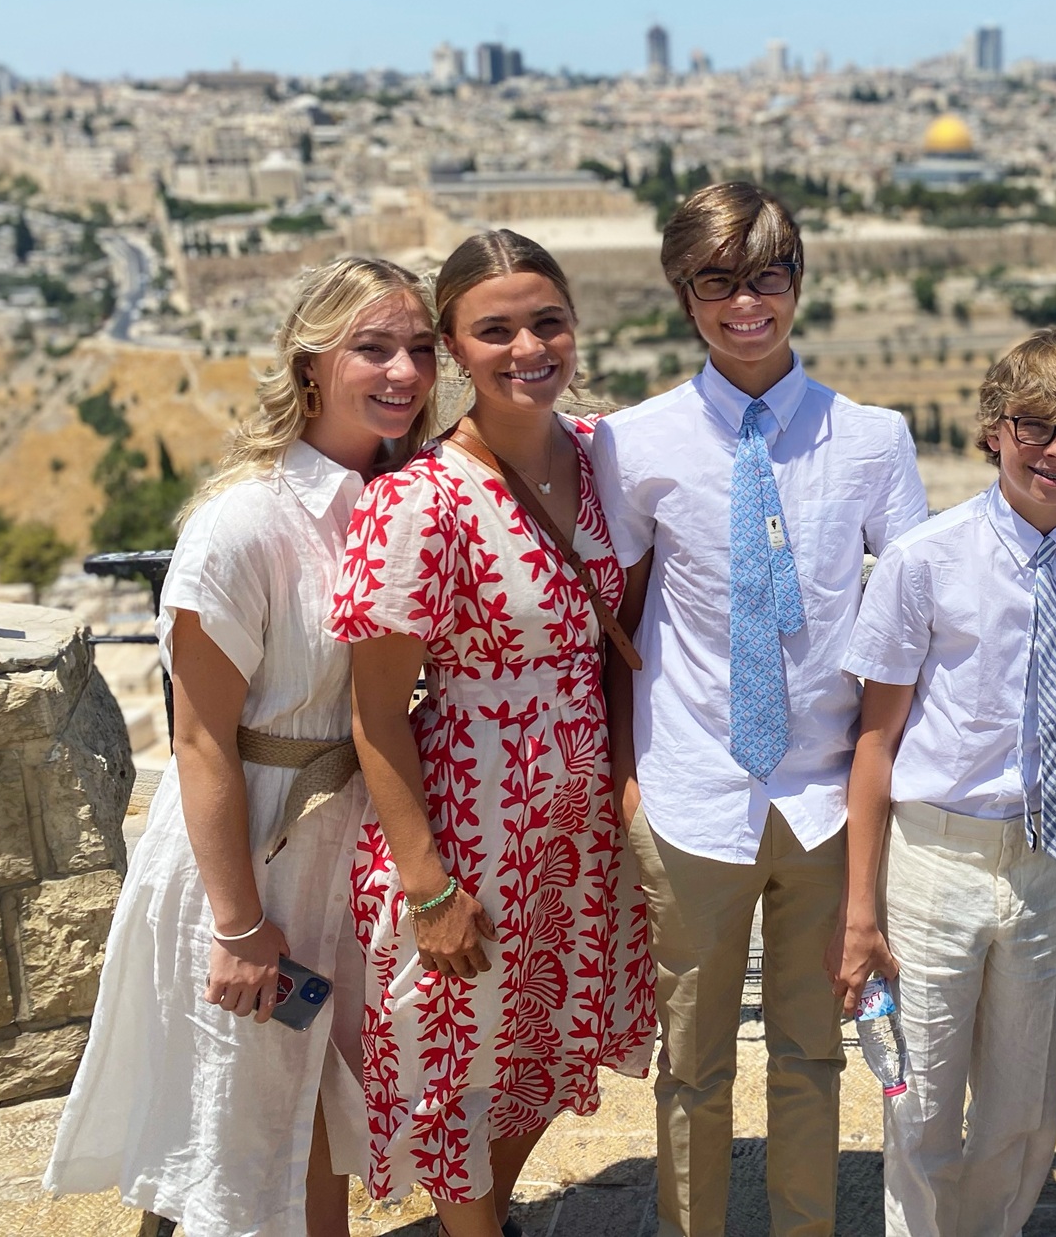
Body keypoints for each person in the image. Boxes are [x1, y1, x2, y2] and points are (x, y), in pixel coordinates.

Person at [46, 256, 439, 1237]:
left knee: (313, 1117)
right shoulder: (244, 523)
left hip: (340, 862)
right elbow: (200, 741)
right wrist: (235, 926)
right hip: (252, 861)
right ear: (310, 364)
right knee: (242, 1135)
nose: (404, 371)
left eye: (420, 348)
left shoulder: (400, 507)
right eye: (373, 347)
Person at [589, 182, 928, 1237]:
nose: (746, 304)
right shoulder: (632, 444)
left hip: (824, 803)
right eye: (717, 282)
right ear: (682, 294)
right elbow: (615, 624)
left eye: (767, 276)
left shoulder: (871, 440)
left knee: (811, 1056)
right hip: (688, 797)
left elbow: (909, 627)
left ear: (799, 282)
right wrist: (629, 784)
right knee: (690, 1067)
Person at [329, 229, 655, 1237]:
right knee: (460, 1066)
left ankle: (484, 1219)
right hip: (475, 826)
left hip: (579, 822)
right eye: (495, 330)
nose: (527, 348)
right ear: (454, 350)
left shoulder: (604, 459)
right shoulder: (417, 502)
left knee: (548, 1046)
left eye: (547, 322)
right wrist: (428, 886)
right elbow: (377, 712)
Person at [834, 330, 1056, 1237]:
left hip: (1047, 856)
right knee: (919, 1102)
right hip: (936, 857)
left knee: (1023, 1107)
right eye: (1034, 426)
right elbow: (875, 743)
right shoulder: (927, 559)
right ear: (994, 430)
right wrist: (860, 914)